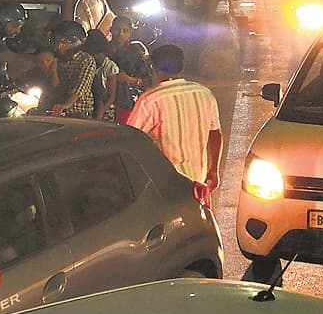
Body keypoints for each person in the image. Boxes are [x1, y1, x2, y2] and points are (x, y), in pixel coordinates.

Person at [126, 44, 223, 192]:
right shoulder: (204, 94)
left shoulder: (150, 100)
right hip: (199, 181)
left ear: (153, 67)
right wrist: (214, 170)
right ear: (182, 67)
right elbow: (215, 134)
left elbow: (131, 138)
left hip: (164, 184)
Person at [47, 20, 97, 118]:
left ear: (77, 42)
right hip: (57, 112)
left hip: (79, 115)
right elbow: (56, 87)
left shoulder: (87, 60)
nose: (59, 46)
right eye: (57, 42)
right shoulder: (56, 60)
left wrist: (66, 105)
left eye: (64, 42)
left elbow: (80, 88)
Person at [107, 16, 150, 124]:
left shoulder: (135, 53)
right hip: (104, 102)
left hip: (126, 103)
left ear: (130, 33)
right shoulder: (103, 51)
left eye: (125, 31)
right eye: (117, 29)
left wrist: (129, 79)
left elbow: (147, 81)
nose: (120, 34)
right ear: (111, 29)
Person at [83, 29, 120, 121]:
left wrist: (100, 114)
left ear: (105, 52)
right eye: (92, 54)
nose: (95, 56)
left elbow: (111, 96)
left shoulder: (110, 67)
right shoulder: (87, 63)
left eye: (98, 53)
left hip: (106, 110)